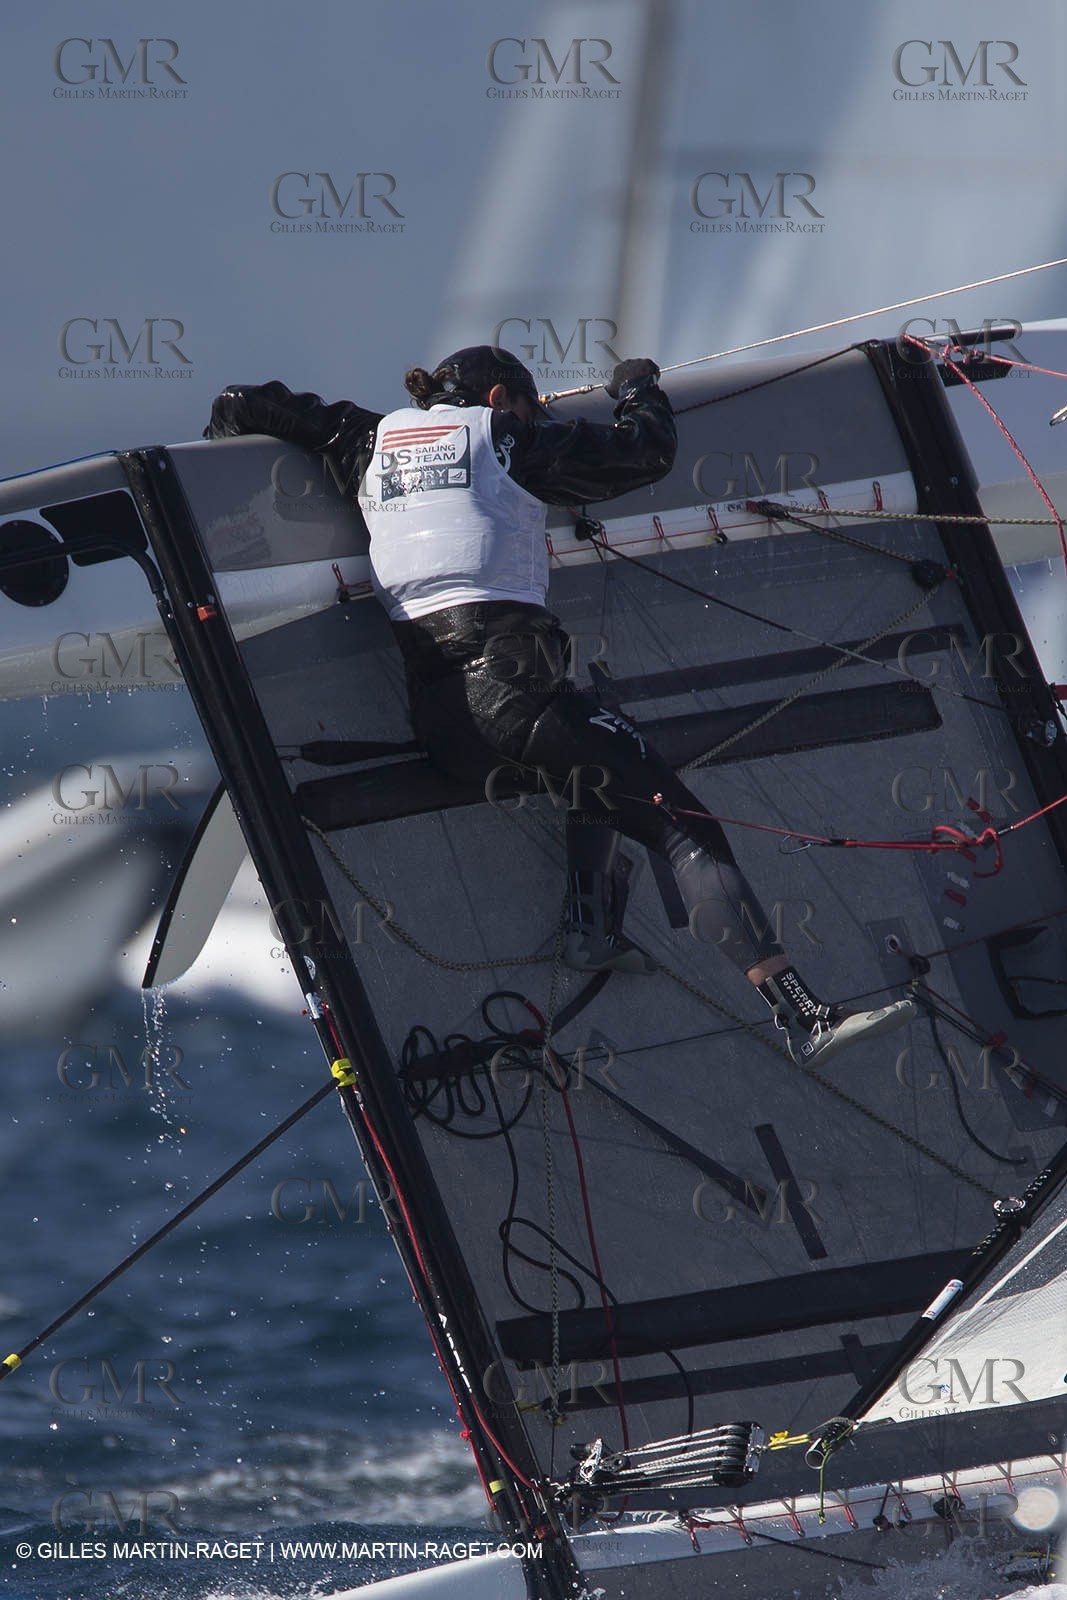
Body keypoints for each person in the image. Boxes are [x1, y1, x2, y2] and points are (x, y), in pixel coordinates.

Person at [205, 346, 915, 1065]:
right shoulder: (505, 438)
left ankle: (589, 930)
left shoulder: (364, 439)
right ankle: (803, 1016)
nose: (534, 417)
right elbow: (644, 454)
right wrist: (636, 388)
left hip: (445, 726)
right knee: (683, 829)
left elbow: (243, 399)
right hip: (516, 696)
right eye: (530, 405)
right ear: (498, 399)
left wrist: (219, 510)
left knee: (588, 759)